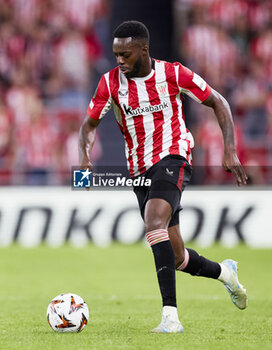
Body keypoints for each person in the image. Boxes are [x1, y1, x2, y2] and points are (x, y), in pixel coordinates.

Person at [79, 20, 248, 333]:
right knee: (177, 256)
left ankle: (170, 318)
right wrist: (85, 159)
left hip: (173, 156)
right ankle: (226, 274)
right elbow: (88, 126)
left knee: (153, 222)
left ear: (143, 50)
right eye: (116, 54)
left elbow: (218, 102)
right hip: (138, 169)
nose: (119, 60)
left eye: (126, 54)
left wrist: (230, 149)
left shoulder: (173, 74)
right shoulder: (110, 84)